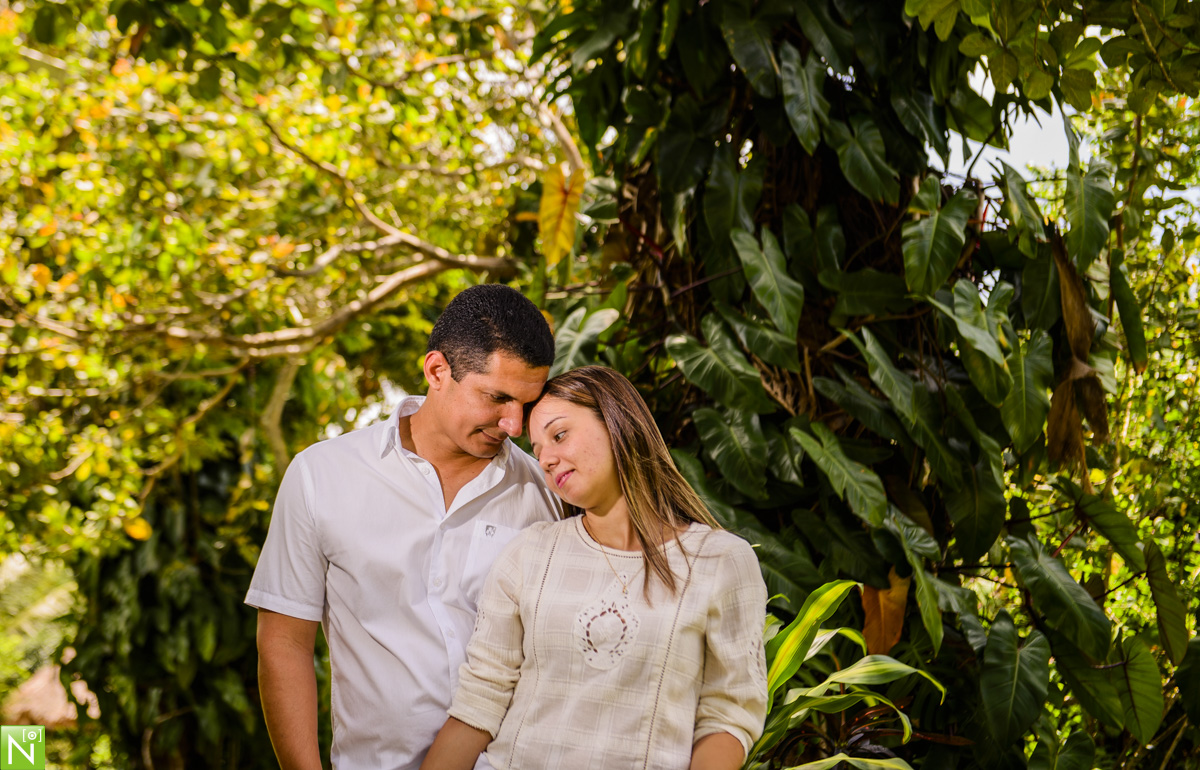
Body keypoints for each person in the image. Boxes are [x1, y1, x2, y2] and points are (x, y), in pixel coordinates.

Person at [245, 284, 562, 770]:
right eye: (497, 398)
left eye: (527, 403)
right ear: (437, 370)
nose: (514, 424)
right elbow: (284, 641)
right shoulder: (321, 476)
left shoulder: (546, 492)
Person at [422, 366, 768, 770]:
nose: (546, 460)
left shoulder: (721, 561)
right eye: (537, 450)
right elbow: (480, 700)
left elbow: (729, 714)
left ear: (616, 419)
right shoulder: (530, 554)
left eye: (560, 435)